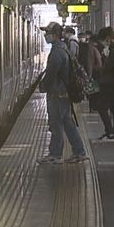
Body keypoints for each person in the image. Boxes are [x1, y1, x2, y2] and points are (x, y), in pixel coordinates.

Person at [38, 22, 87, 164]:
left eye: (47, 33)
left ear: (54, 35)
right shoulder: (63, 48)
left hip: (57, 94)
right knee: (68, 123)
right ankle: (79, 152)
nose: (45, 36)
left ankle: (55, 154)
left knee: (56, 124)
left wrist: (44, 87)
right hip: (63, 93)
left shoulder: (56, 53)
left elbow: (51, 74)